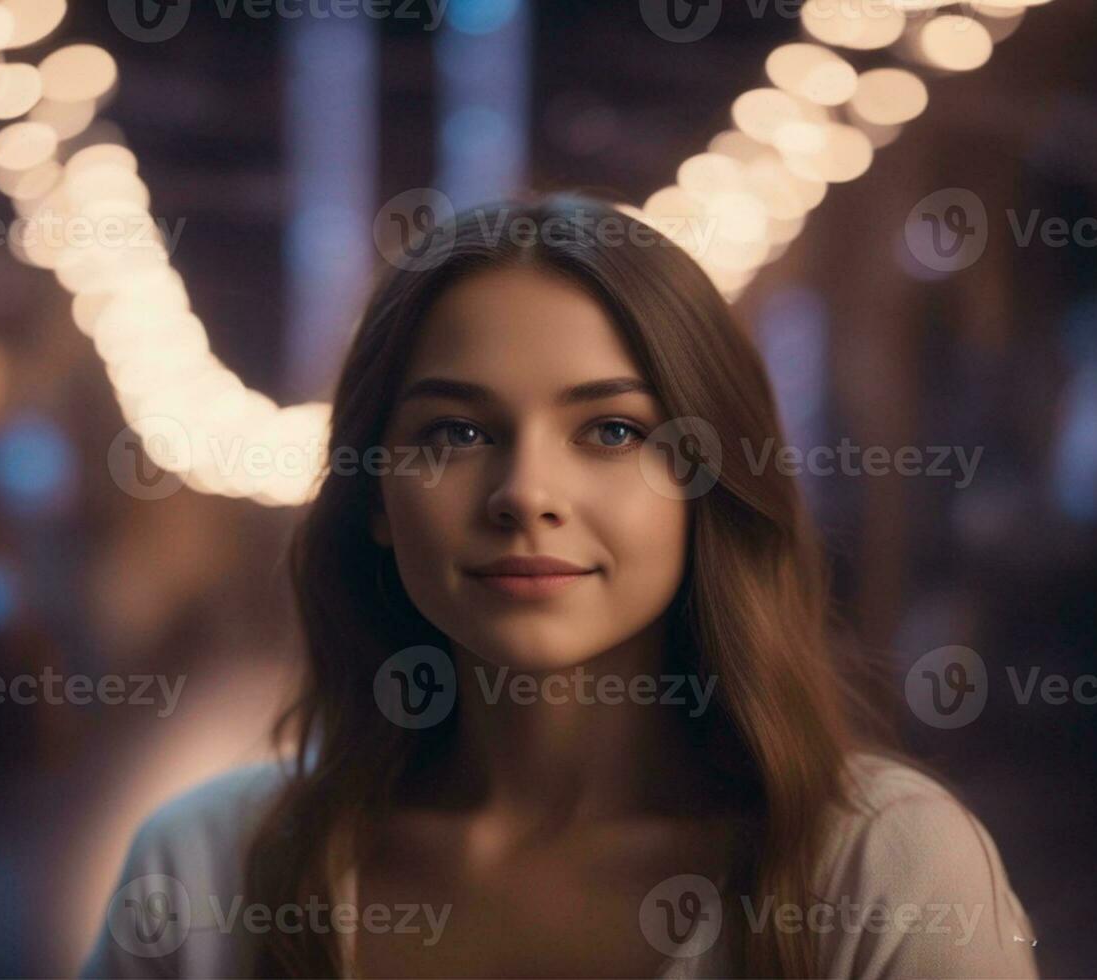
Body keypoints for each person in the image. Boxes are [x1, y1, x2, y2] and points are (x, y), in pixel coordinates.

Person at [81, 194, 1040, 978]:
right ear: (374, 493)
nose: (526, 494)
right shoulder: (203, 872)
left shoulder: (884, 872)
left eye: (613, 431)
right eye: (454, 432)